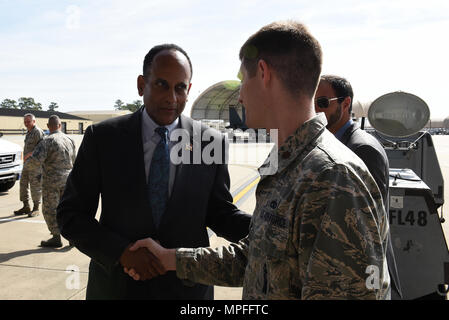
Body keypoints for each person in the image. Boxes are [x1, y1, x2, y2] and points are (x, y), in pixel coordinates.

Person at [126, 21, 391, 300]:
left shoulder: (332, 177)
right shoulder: (290, 163)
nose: (240, 95)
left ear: (263, 73)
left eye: (243, 81)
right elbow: (255, 259)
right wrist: (171, 259)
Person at [56, 44, 252, 299]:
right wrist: (122, 253)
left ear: (189, 90)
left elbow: (220, 213)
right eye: (161, 84)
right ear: (141, 85)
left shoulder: (209, 142)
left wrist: (270, 227)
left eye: (180, 87)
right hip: (118, 289)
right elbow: (71, 215)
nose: (171, 97)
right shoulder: (103, 138)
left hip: (187, 291)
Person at [314, 75, 402, 298]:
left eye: (323, 102)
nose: (315, 109)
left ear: (345, 103)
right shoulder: (329, 144)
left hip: (363, 275)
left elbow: (366, 225)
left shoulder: (362, 149)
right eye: (312, 102)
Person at [26, 115, 76, 247]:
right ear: (60, 126)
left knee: (50, 209)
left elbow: (35, 161)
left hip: (51, 182)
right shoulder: (70, 139)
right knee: (68, 209)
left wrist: (26, 166)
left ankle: (56, 237)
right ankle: (72, 237)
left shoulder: (47, 141)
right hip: (68, 180)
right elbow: (75, 161)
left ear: (48, 127)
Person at [14, 113, 44, 217]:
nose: (26, 123)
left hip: (35, 165)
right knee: (23, 185)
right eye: (25, 122)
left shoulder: (37, 132)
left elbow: (42, 148)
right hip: (27, 164)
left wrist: (29, 154)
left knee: (35, 186)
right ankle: (26, 206)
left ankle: (36, 208)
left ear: (34, 121)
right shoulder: (29, 132)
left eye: (28, 121)